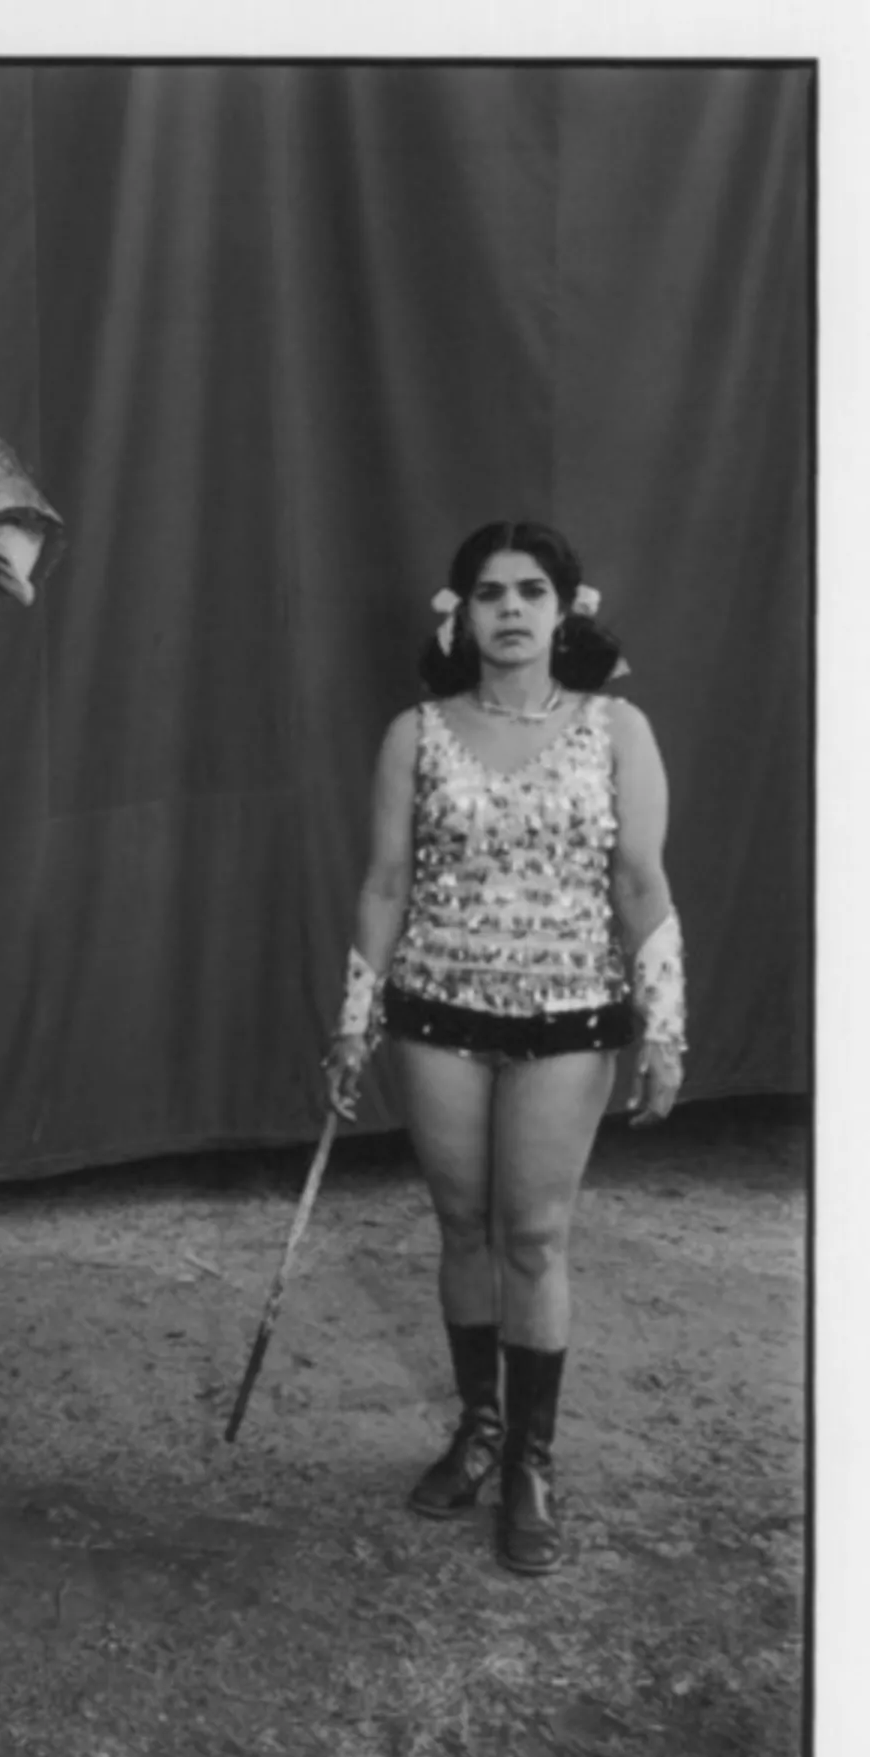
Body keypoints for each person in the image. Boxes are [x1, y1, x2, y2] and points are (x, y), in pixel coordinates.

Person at [323, 520, 686, 1576]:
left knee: (533, 1234)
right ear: (462, 614)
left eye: (532, 591)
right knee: (461, 1224)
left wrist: (665, 1027)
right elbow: (385, 883)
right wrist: (354, 1020)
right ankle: (478, 1428)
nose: (512, 610)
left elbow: (641, 881)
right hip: (438, 1012)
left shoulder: (618, 729)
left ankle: (532, 1457)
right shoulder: (417, 733)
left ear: (565, 610)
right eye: (491, 593)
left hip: (569, 1014)